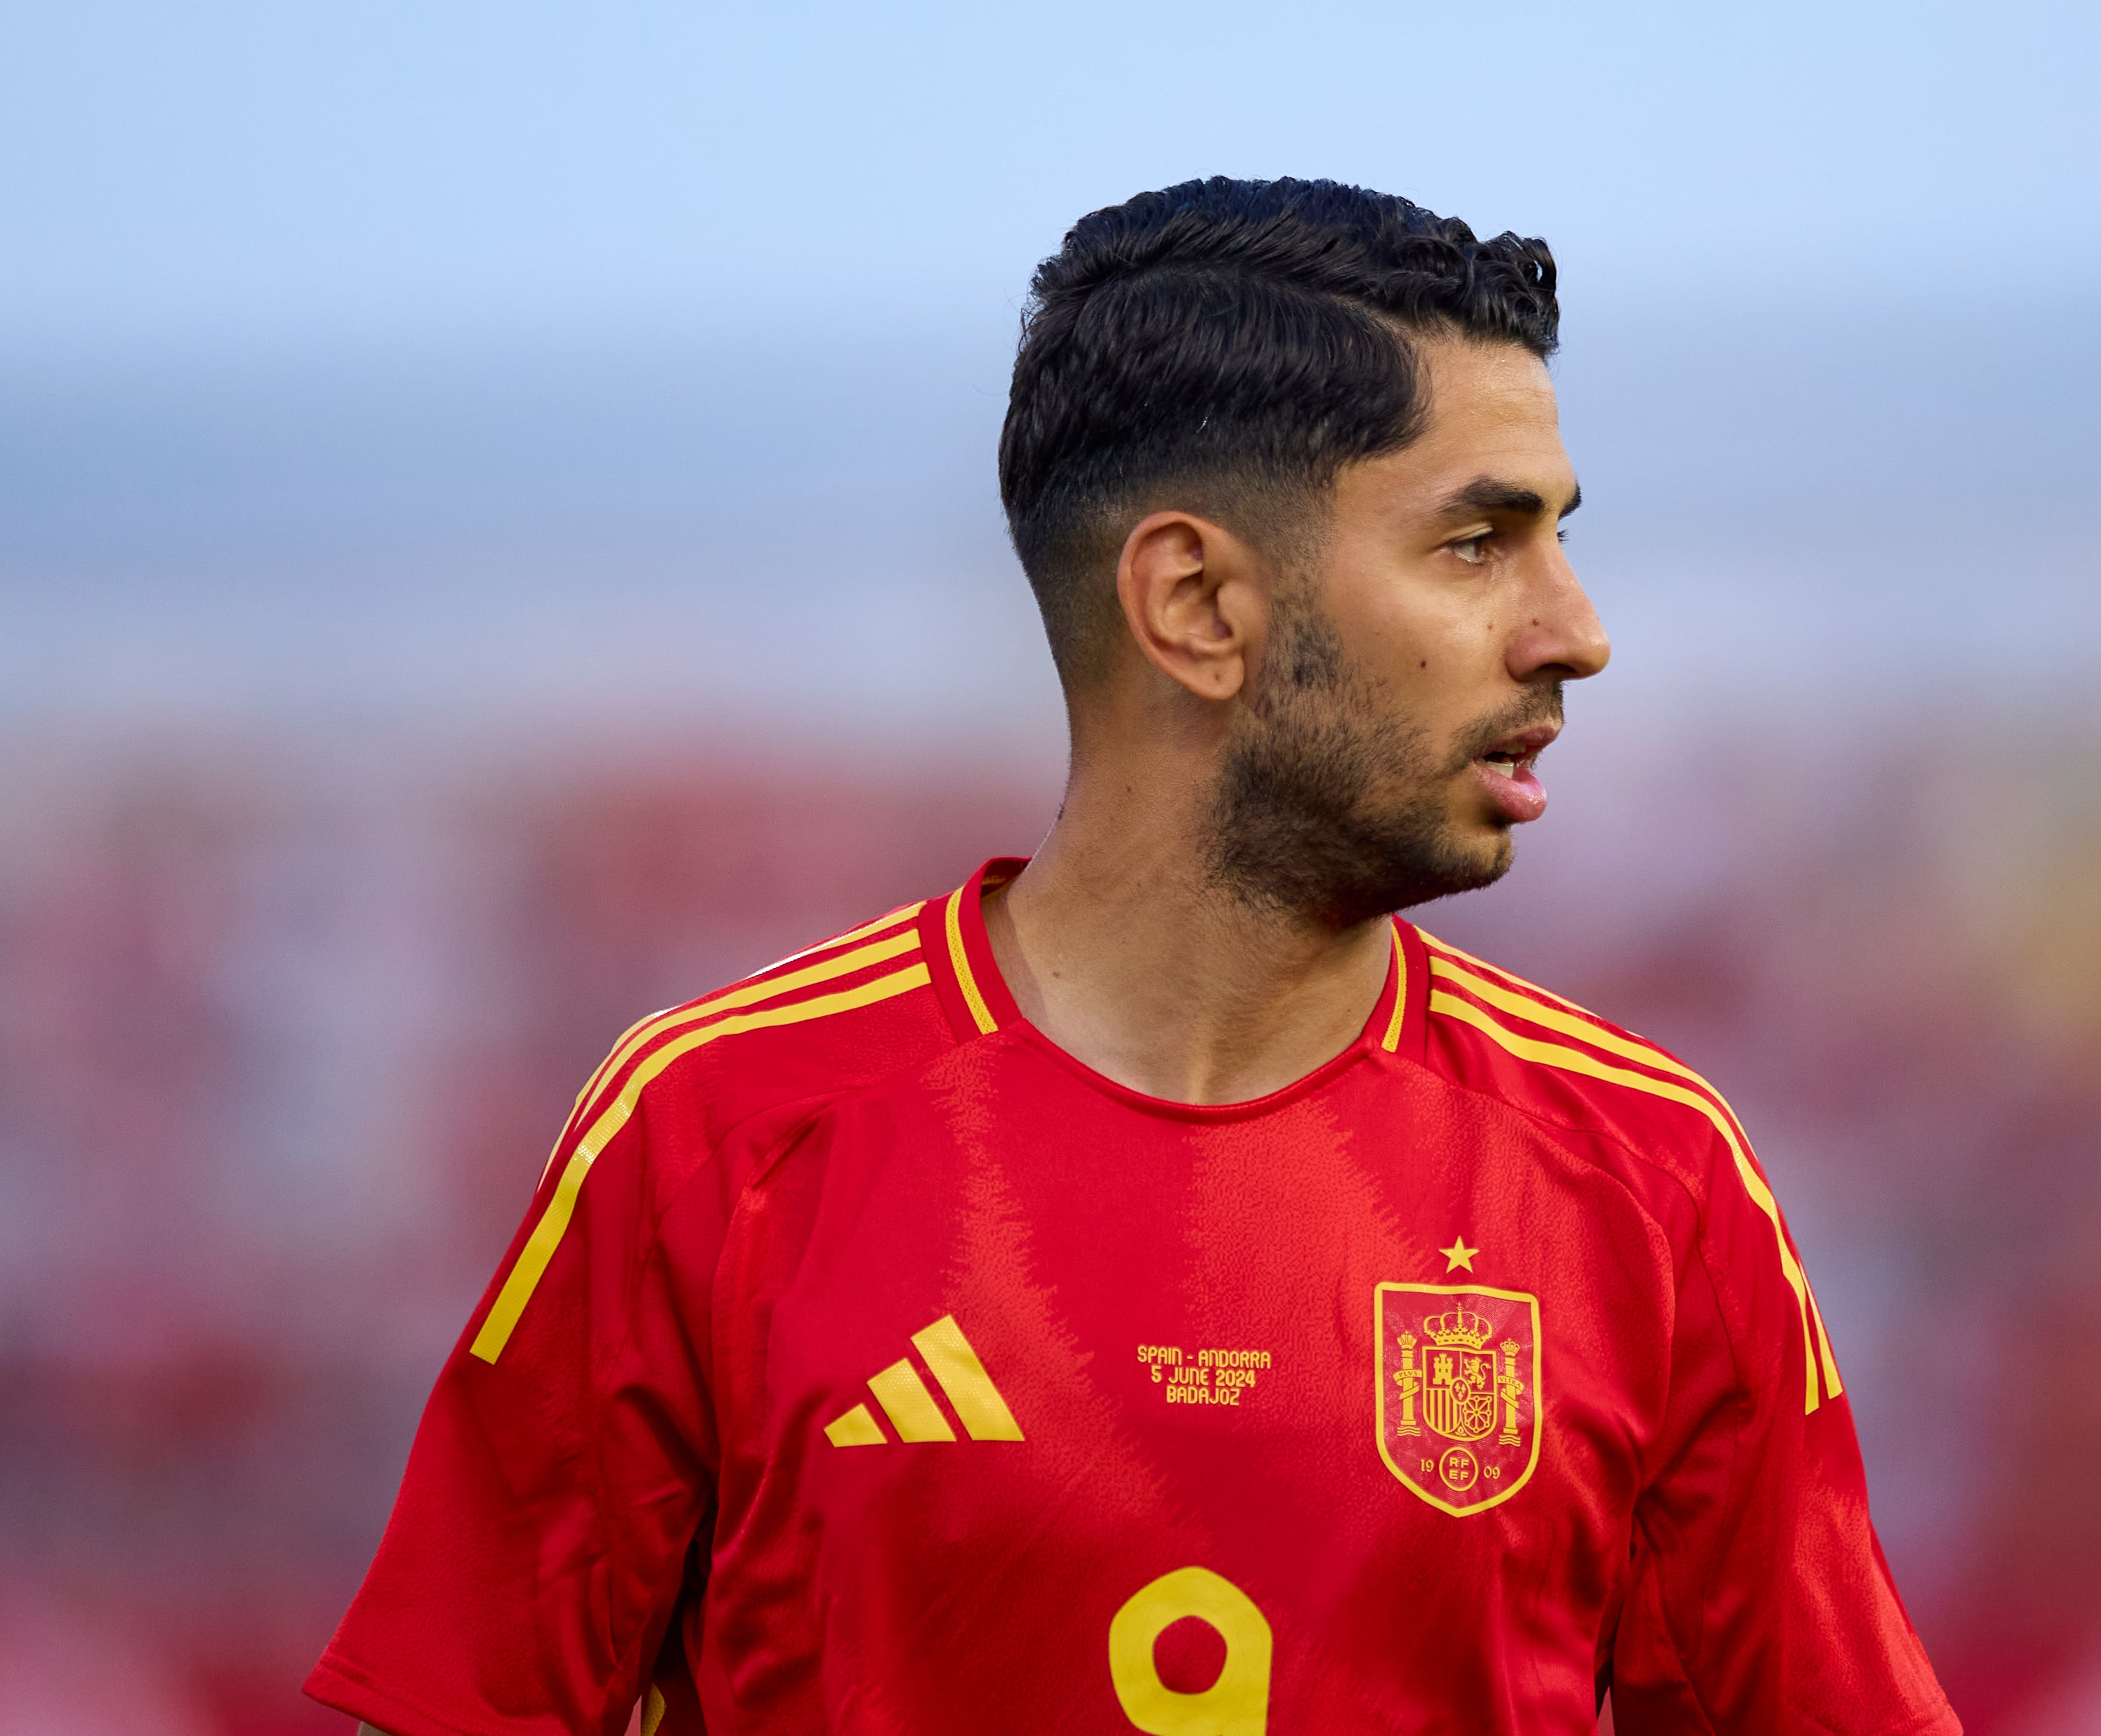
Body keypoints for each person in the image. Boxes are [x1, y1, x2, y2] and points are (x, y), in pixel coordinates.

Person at [310, 176, 1957, 1736]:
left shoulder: (1647, 1177)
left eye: (1556, 537)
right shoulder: (714, 1135)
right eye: (1476, 542)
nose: (1571, 628)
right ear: (1193, 605)